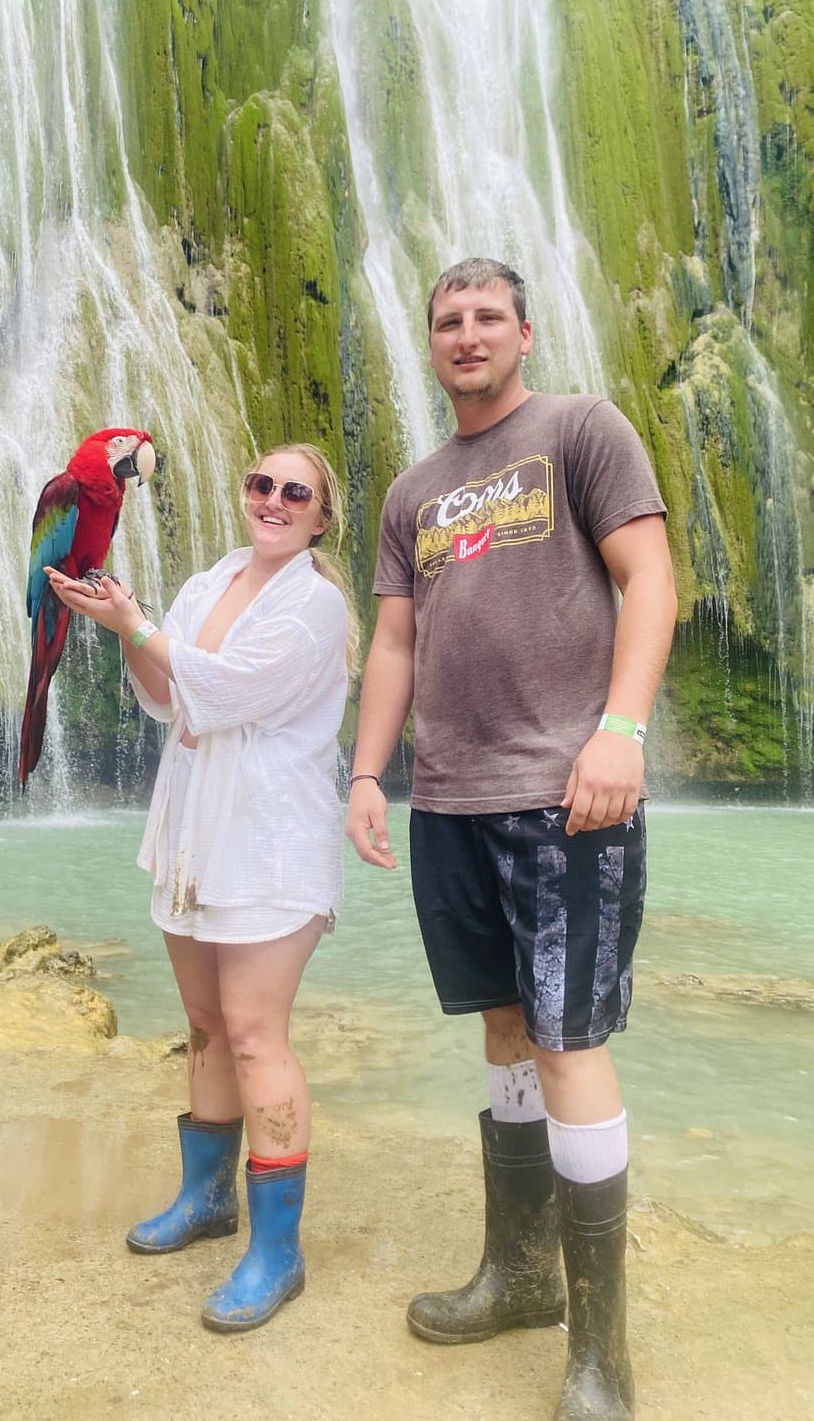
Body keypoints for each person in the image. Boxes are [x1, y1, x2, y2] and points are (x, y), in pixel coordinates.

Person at [345, 258, 677, 1420]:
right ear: (429, 342)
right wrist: (365, 774)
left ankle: (600, 1352)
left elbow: (647, 578)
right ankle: (520, 1275)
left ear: (523, 333)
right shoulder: (411, 491)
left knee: (567, 1037)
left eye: (487, 316)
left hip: (567, 791)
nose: (466, 333)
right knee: (500, 1029)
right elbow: (392, 646)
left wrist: (620, 731)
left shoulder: (582, 431)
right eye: (447, 320)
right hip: (448, 797)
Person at [46, 442, 353, 1333]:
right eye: (260, 483)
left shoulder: (319, 605)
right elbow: (167, 696)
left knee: (257, 1035)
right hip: (193, 833)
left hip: (268, 844)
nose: (273, 499)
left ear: (320, 516)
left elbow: (225, 689)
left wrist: (132, 622)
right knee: (208, 1024)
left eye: (295, 492)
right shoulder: (209, 579)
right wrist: (129, 629)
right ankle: (207, 1199)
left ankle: (277, 1250)